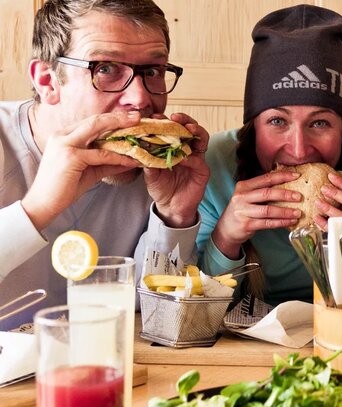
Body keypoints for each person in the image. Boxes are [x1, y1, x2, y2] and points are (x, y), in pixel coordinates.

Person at [0, 0, 209, 330]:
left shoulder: (160, 166)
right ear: (47, 81)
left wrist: (173, 215)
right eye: (106, 69)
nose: (140, 99)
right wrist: (35, 210)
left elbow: (160, 321)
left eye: (151, 72)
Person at [198, 5, 342, 305]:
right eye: (277, 121)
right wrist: (226, 237)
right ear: (254, 124)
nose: (298, 149)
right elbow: (205, 308)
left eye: (319, 123)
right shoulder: (215, 160)